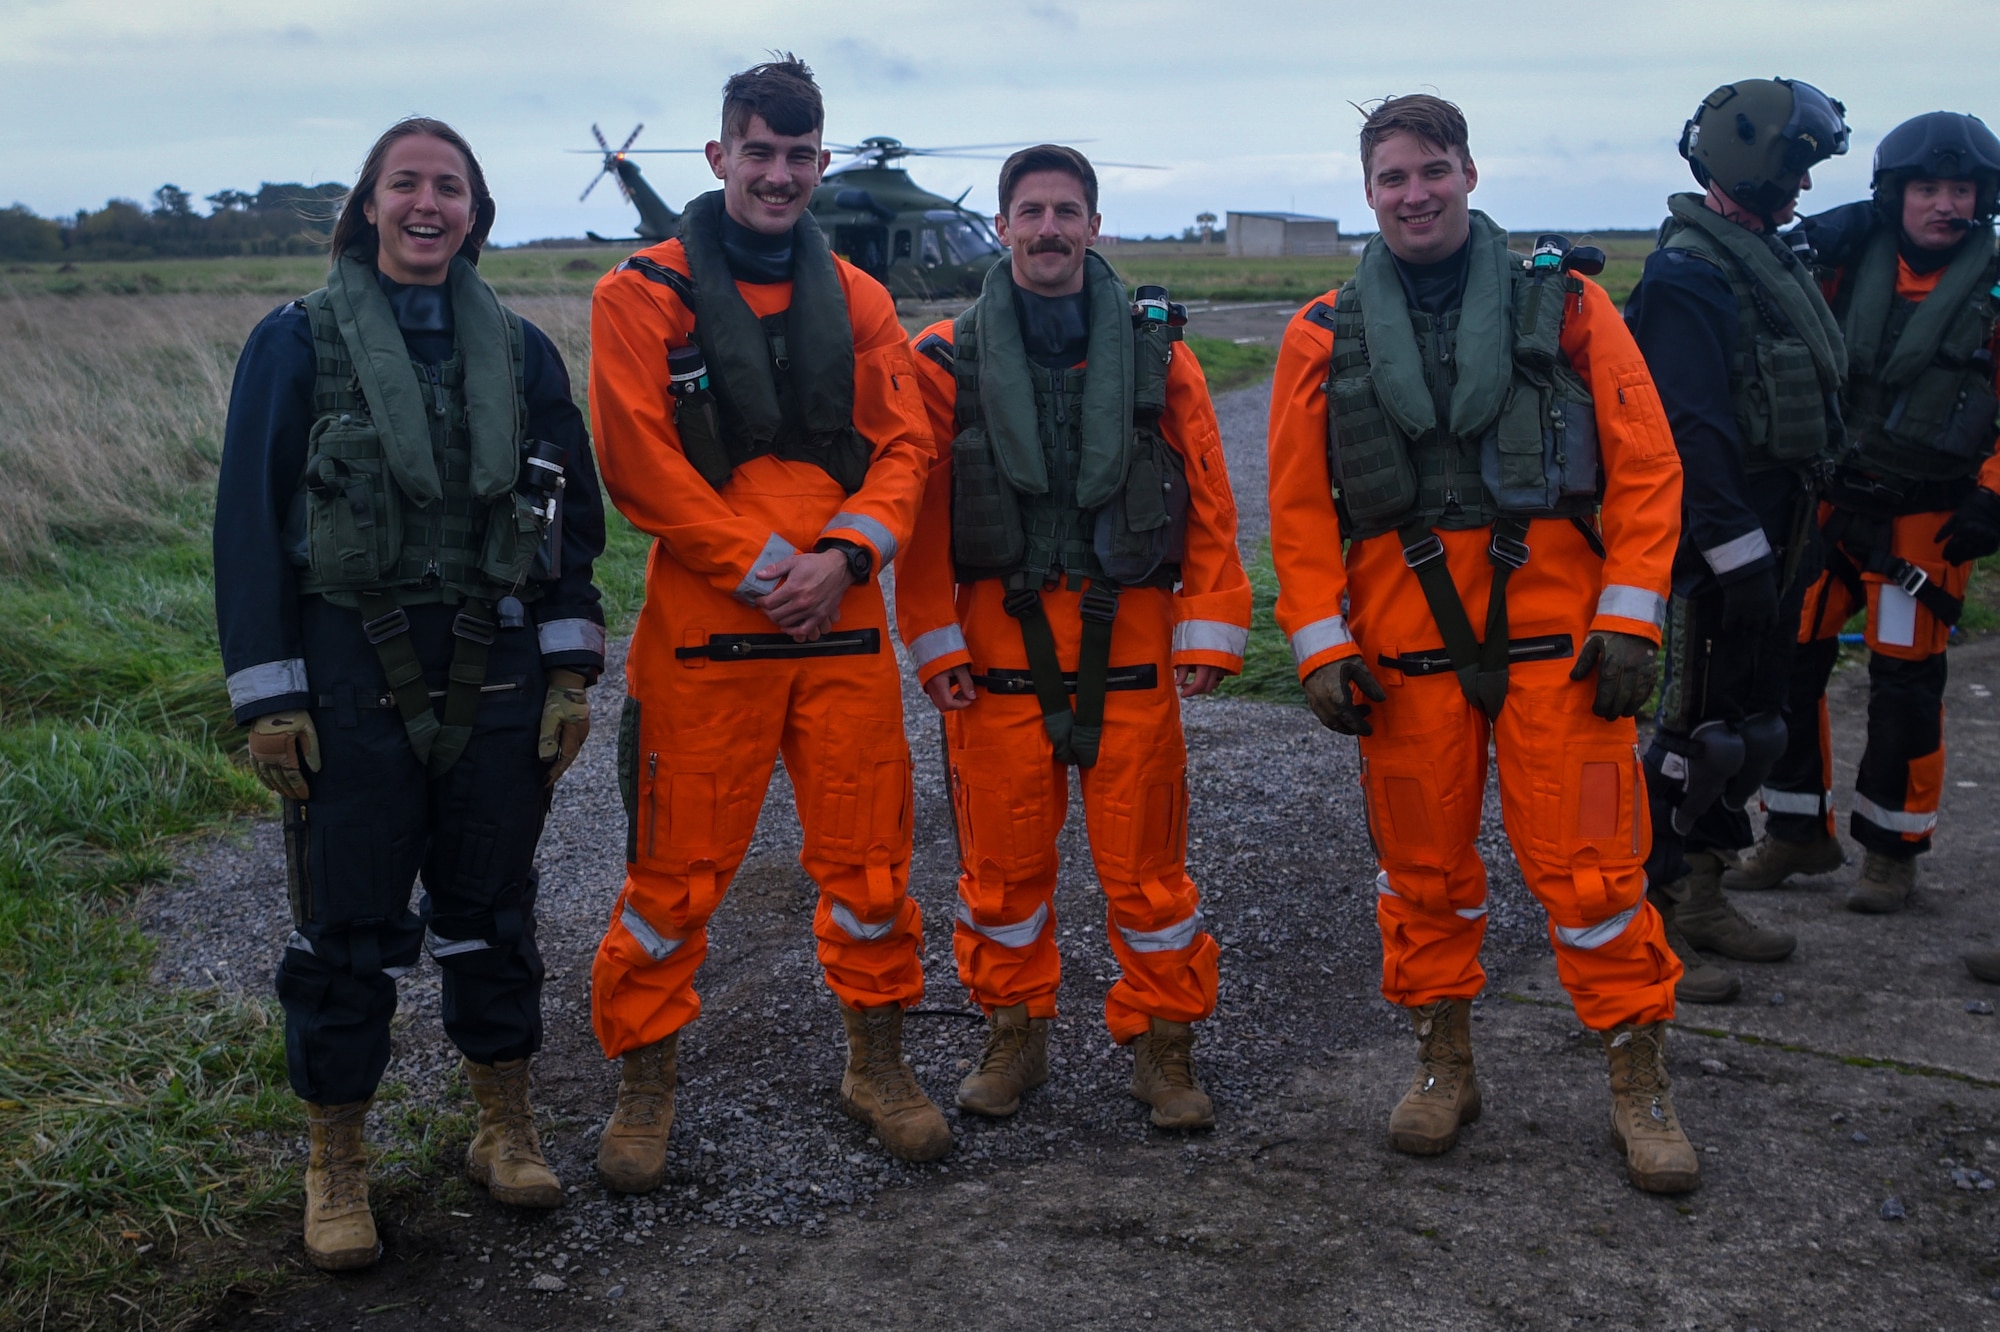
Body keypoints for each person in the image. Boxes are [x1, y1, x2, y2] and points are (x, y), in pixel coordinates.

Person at [1267, 95, 1694, 1192]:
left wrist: (1630, 615)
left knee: (1595, 879)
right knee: (1421, 878)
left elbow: (1645, 469)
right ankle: (1440, 1065)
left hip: (1566, 649)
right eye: (1391, 178)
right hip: (1402, 659)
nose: (1414, 194)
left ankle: (1636, 1082)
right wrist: (1318, 644)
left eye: (1432, 171)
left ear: (1467, 172)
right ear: (1366, 193)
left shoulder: (1568, 307)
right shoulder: (1320, 332)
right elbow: (1300, 508)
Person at [214, 117, 607, 1271]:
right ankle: (336, 1163)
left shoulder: (526, 354)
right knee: (347, 932)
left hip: (497, 671)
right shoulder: (293, 346)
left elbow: (570, 526)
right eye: (405, 185)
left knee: (493, 916)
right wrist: (267, 699)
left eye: (448, 187)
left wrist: (570, 667)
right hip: (346, 681)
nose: (427, 204)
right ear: (370, 203)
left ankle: (505, 1127)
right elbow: (247, 531)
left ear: (475, 211)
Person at [585, 56, 947, 1192]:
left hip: (841, 629)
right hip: (705, 637)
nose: (778, 174)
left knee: (872, 868)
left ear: (820, 163)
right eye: (758, 152)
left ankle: (874, 1068)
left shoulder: (865, 300)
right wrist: (756, 565)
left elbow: (903, 449)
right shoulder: (638, 296)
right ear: (718, 156)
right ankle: (645, 1088)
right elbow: (637, 463)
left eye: (798, 156)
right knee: (670, 879)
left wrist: (843, 556)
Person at [896, 146, 1252, 1129]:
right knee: (999, 880)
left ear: (1093, 227)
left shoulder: (1157, 356)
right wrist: (930, 637)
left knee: (1151, 879)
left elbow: (1209, 493)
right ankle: (1013, 1037)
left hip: (1132, 657)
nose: (1047, 228)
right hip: (996, 666)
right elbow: (918, 505)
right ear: (1003, 226)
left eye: (1065, 211)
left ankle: (1162, 1049)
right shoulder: (940, 359)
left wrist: (1211, 624)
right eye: (1029, 211)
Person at [1727, 113, 2000, 937]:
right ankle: (1796, 832)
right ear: (1895, 194)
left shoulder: (1993, 290)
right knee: (1791, 669)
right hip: (1831, 502)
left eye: (1962, 190)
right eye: (1927, 189)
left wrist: (1993, 493)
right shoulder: (1842, 260)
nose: (1945, 205)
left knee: (1906, 687)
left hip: (1929, 518)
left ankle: (1893, 847)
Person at [1626, 78, 1852, 1003]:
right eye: (1793, 166)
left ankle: (1704, 893)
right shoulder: (1690, 276)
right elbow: (1692, 429)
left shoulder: (1767, 256)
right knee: (1695, 736)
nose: (1801, 186)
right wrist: (1736, 554)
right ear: (1751, 161)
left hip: (1777, 528)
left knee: (1751, 728)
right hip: (1718, 542)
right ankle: (1656, 911)